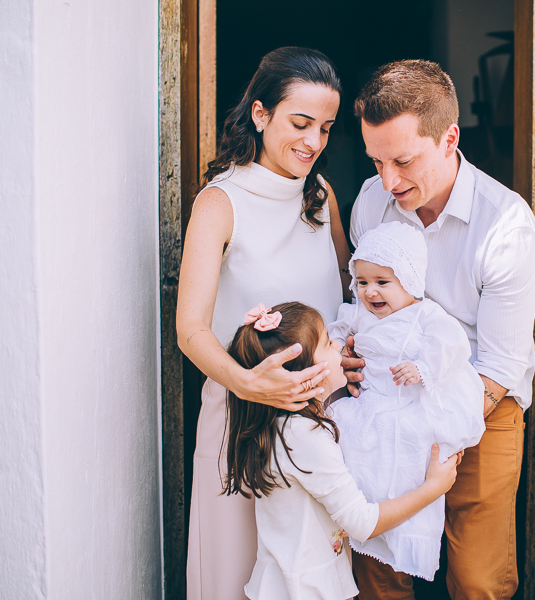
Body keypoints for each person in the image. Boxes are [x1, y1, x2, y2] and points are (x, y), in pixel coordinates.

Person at [342, 60, 535, 599]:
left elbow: (499, 366)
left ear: (450, 138)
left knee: (477, 577)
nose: (389, 180)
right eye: (377, 161)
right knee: (377, 560)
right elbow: (360, 305)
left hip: (480, 402)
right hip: (386, 399)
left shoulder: (505, 226)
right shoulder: (370, 202)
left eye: (403, 161)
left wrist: (432, 426)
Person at [176, 47, 352, 599]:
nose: (314, 142)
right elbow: (191, 330)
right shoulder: (220, 203)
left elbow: (348, 296)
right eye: (300, 124)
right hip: (243, 423)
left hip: (321, 428)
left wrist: (344, 355)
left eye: (325, 128)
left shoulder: (322, 197)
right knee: (234, 577)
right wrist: (251, 383)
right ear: (260, 114)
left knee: (309, 582)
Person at [222, 301, 462, 600]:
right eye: (326, 342)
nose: (338, 346)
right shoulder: (304, 436)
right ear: (305, 373)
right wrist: (433, 488)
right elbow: (362, 522)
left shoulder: (277, 425)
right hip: (308, 590)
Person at [326, 221, 485, 581]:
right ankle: (367, 523)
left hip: (411, 404)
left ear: (410, 281)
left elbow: (451, 345)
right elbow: (333, 337)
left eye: (383, 282)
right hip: (369, 404)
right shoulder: (357, 314)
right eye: (363, 282)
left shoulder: (424, 315)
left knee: (408, 464)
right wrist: (336, 353)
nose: (371, 292)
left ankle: (405, 533)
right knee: (359, 456)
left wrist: (423, 368)